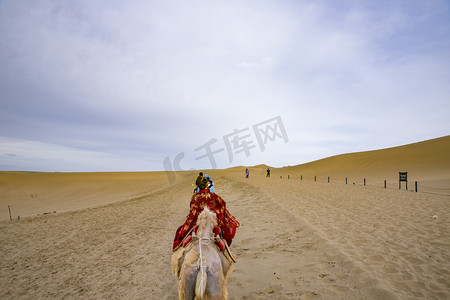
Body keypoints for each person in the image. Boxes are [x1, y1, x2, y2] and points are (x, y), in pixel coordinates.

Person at [173, 177, 240, 251]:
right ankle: (227, 252)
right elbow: (223, 205)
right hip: (212, 222)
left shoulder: (195, 197)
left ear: (197, 186)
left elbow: (193, 214)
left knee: (182, 236)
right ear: (207, 184)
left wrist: (186, 226)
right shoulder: (214, 196)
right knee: (222, 238)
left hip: (199, 223)